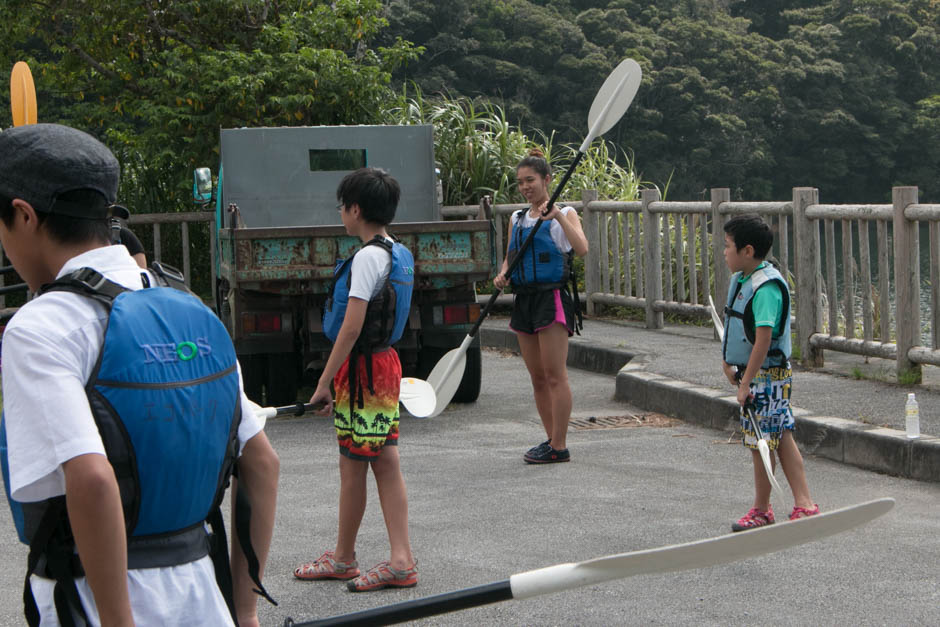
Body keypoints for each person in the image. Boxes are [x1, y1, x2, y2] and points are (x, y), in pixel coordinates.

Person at [0, 123, 279, 626]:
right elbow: (260, 462)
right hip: (203, 598)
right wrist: (246, 612)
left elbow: (91, 478)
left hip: (89, 602)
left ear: (23, 214)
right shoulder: (189, 307)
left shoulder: (41, 326)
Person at [293, 167, 418, 592]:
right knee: (376, 461)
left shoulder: (367, 257)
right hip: (382, 366)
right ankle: (371, 557)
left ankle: (365, 559)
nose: (340, 213)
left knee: (361, 466)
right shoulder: (397, 250)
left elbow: (350, 327)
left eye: (342, 206)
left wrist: (323, 382)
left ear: (356, 209)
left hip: (364, 372)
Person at [720, 214, 819, 531]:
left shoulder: (765, 288)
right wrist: (729, 364)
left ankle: (762, 509)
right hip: (761, 375)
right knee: (781, 435)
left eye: (728, 246)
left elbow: (763, 339)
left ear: (747, 251)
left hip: (767, 377)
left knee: (761, 442)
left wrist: (745, 381)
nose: (724, 253)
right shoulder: (744, 279)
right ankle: (804, 503)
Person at [493, 148, 588, 464]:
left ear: (547, 180)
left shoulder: (566, 213)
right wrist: (503, 273)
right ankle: (550, 440)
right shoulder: (517, 218)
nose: (525, 187)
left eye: (530, 180)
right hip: (525, 300)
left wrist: (557, 214)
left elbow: (582, 248)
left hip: (552, 299)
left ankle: (560, 445)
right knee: (537, 377)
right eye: (520, 182)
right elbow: (511, 254)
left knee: (554, 374)